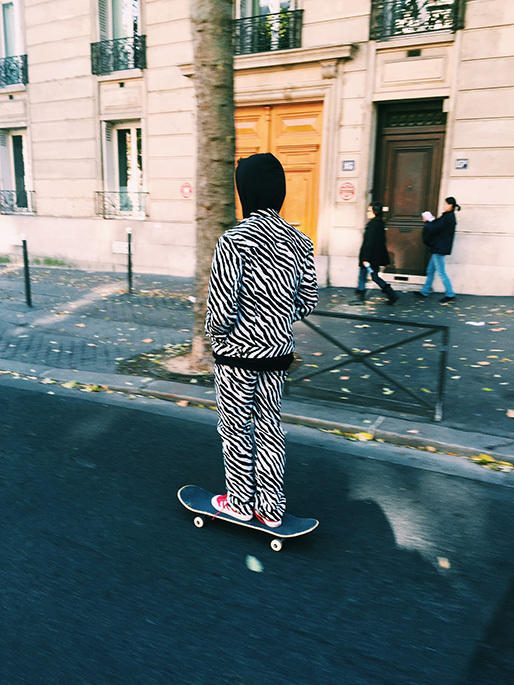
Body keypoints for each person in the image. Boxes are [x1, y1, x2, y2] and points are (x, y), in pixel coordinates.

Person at [205, 153, 318, 528]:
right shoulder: (300, 242)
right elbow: (308, 301)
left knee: (235, 428)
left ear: (245, 191)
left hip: (237, 355)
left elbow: (221, 309)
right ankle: (271, 508)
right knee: (270, 428)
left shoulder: (234, 241)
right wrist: (277, 319)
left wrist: (218, 335)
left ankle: (239, 501)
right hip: (278, 353)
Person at [351, 202, 398, 305]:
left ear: (375, 212)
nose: (367, 213)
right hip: (374, 257)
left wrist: (365, 259)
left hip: (369, 257)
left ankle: (360, 298)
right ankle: (391, 294)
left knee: (365, 276)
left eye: (369, 210)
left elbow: (369, 243)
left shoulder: (373, 225)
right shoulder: (379, 224)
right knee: (373, 276)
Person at [416, 196, 460, 303]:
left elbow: (435, 227)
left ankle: (450, 294)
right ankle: (425, 291)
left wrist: (427, 221)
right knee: (430, 270)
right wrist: (432, 220)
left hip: (439, 248)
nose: (444, 206)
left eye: (445, 204)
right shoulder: (448, 216)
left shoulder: (448, 217)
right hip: (439, 248)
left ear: (450, 205)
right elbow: (438, 225)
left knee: (441, 272)